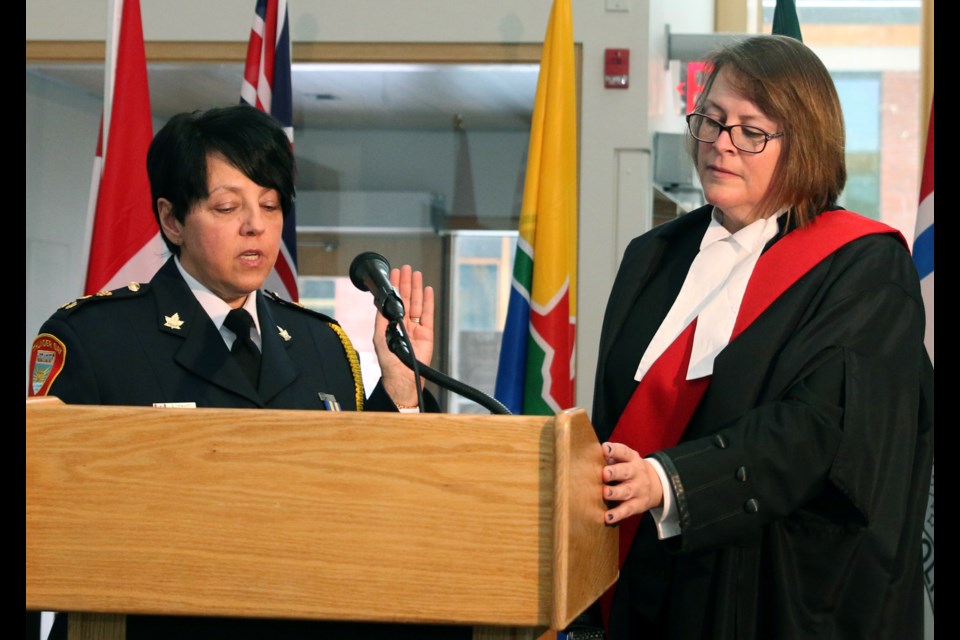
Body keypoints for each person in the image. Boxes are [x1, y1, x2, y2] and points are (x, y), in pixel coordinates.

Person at [28, 104, 466, 639]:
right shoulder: (94, 339)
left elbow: (365, 501)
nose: (256, 225)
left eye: (270, 205)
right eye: (227, 206)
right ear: (171, 220)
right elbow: (46, 520)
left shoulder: (319, 343)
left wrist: (400, 385)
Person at [589, 36, 933, 639]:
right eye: (712, 120)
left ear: (804, 143)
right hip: (644, 577)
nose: (722, 143)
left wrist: (668, 481)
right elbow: (614, 410)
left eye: (752, 130)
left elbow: (819, 430)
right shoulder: (652, 255)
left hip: (766, 589)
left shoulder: (863, 267)